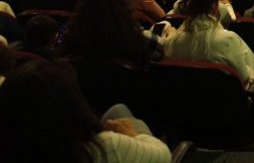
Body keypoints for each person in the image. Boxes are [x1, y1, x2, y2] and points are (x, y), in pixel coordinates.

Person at [0, 60, 171, 163]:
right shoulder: (104, 147)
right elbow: (164, 155)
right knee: (120, 112)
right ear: (72, 102)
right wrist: (132, 134)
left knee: (118, 110)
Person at [164, 0, 254, 84]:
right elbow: (244, 78)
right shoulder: (228, 39)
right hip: (227, 100)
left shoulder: (173, 42)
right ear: (215, 6)